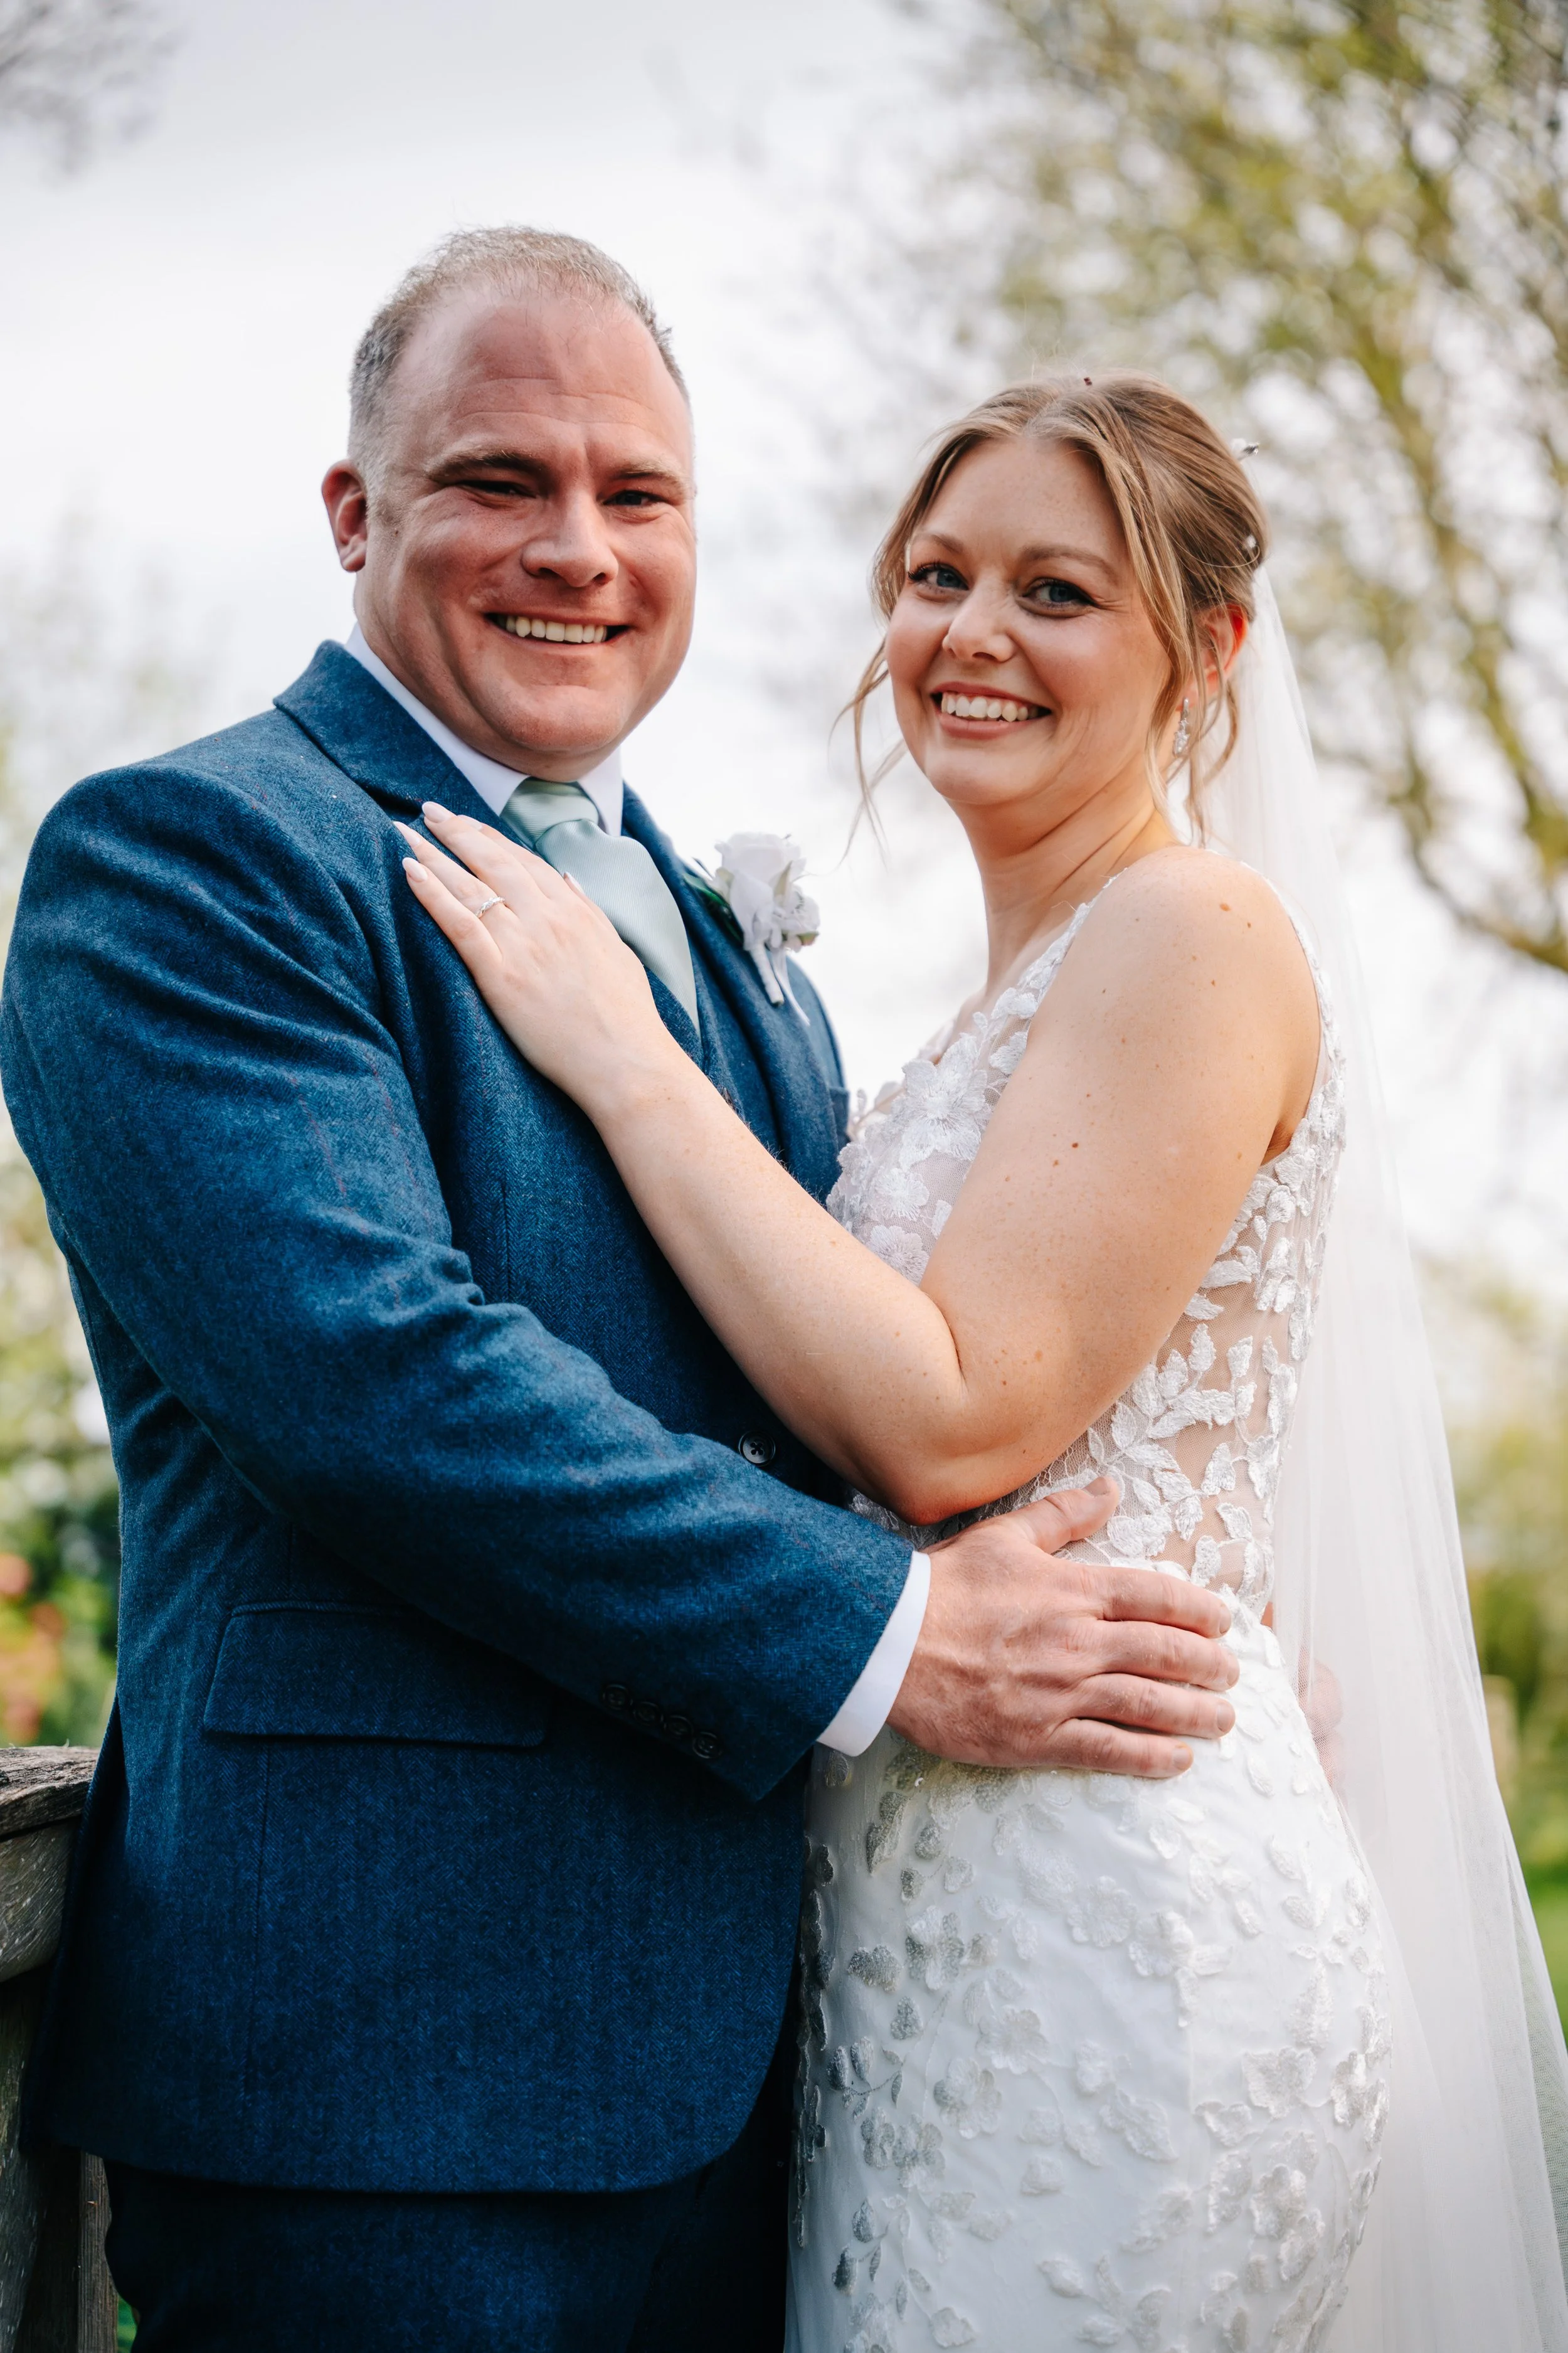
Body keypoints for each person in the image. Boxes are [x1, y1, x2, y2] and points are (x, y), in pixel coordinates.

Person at [0, 235, 1239, 2351]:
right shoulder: (195, 856)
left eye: (637, 494)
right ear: (353, 512)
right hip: (384, 2081)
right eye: (500, 478)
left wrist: (1217, 1590)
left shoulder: (709, 928)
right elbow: (379, 1380)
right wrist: (899, 1634)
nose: (578, 550)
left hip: (780, 2084)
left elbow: (861, 1386)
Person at [402, 373, 1568, 2350]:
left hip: (1101, 1935)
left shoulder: (1191, 929)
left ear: (1205, 648)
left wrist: (616, 1048)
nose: (971, 634)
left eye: (1056, 591)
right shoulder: (1003, 1000)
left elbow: (957, 1419)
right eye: (936, 575)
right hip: (935, 1918)